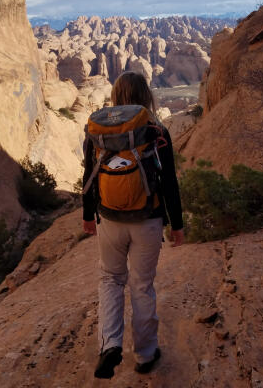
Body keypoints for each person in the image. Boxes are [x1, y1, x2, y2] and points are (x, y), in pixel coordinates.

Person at [82, 71, 184, 379]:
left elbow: (87, 174)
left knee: (111, 280)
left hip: (109, 219)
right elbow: (169, 182)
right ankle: (145, 354)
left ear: (116, 96)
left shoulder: (97, 130)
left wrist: (88, 215)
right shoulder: (156, 129)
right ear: (145, 95)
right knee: (141, 286)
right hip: (148, 220)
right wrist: (176, 223)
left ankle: (110, 345)